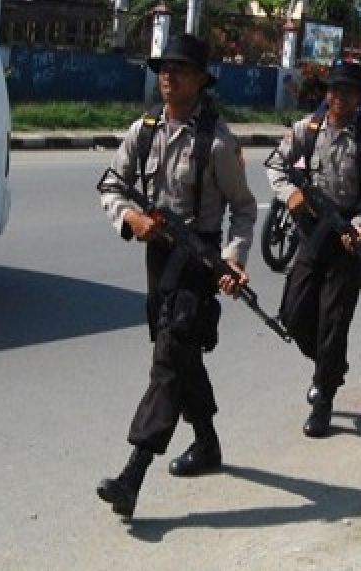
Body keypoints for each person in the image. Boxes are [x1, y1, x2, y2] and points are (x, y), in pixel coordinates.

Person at [96, 33, 256, 520]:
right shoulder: (142, 131)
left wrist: (233, 259)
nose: (168, 77)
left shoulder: (218, 142)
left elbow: (245, 210)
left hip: (198, 261)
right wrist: (129, 219)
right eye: (164, 69)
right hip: (157, 257)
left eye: (180, 70)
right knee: (181, 354)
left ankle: (132, 475)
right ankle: (206, 443)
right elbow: (111, 184)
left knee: (168, 357)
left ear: (201, 81)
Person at [267, 61, 361, 437]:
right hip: (312, 233)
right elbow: (275, 165)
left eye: (348, 92)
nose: (340, 97)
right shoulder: (306, 130)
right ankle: (330, 367)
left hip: (348, 240)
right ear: (327, 94)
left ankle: (323, 397)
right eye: (334, 90)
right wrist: (289, 194)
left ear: (358, 98)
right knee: (292, 313)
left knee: (334, 322)